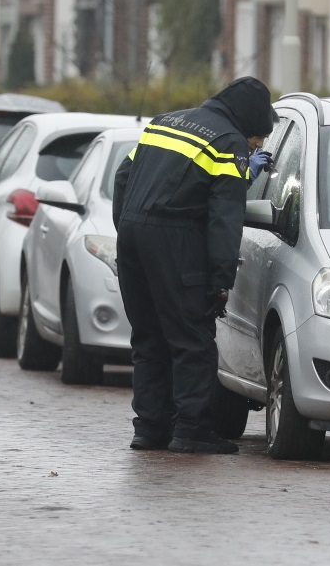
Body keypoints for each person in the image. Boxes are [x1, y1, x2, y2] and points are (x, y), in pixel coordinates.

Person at [113, 77, 277, 454]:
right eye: (259, 138)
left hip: (132, 236)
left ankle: (150, 429)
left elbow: (123, 179)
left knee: (149, 337)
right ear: (250, 122)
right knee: (193, 342)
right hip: (176, 241)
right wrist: (220, 282)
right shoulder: (228, 143)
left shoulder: (164, 122)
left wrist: (127, 227)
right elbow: (225, 218)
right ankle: (190, 430)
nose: (258, 145)